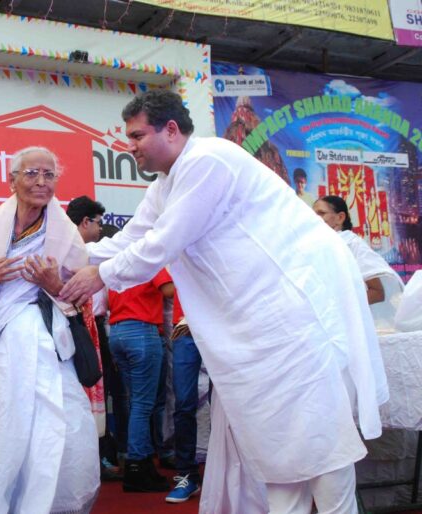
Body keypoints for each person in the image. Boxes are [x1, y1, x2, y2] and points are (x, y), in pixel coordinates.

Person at [60, 90, 387, 513]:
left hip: (292, 318)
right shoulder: (165, 185)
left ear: (171, 130)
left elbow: (162, 243)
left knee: (322, 446)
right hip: (255, 333)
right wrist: (67, 257)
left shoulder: (206, 161)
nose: (131, 145)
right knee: (277, 452)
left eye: (137, 135)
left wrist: (96, 275)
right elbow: (129, 239)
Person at [0, 146, 100, 513]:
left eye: (49, 175)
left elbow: (81, 299)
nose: (41, 182)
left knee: (50, 433)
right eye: (32, 173)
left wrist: (53, 285)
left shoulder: (66, 234)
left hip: (49, 348)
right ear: (12, 179)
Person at [107, 268, 173, 492]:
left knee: (137, 403)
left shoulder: (119, 263)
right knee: (143, 405)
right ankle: (137, 466)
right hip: (142, 331)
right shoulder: (149, 259)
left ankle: (142, 463)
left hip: (117, 333)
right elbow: (169, 290)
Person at [67, 195, 116, 481]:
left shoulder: (87, 251)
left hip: (92, 327)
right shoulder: (69, 251)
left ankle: (94, 460)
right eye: (97, 223)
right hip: (76, 329)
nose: (100, 229)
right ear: (85, 222)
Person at [314, 195, 404, 331]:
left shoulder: (351, 244)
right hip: (323, 325)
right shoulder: (315, 247)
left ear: (340, 218)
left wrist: (339, 309)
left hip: (349, 327)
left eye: (321, 213)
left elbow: (378, 293)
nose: (315, 218)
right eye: (313, 214)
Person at [161, 270, 202, 504]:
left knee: (228, 402)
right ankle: (187, 474)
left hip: (220, 321)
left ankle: (235, 474)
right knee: (183, 401)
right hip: (184, 326)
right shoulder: (177, 239)